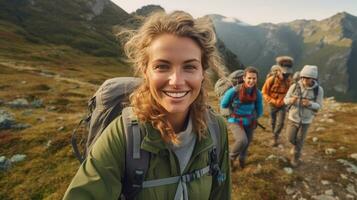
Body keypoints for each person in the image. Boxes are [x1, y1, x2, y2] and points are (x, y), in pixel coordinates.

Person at [63, 11, 231, 200]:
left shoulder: (217, 129)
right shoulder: (124, 135)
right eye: (162, 66)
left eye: (190, 67)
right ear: (145, 71)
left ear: (202, 72)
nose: (176, 81)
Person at [220, 66, 263, 170]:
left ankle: (242, 160)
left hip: (249, 121)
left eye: (254, 78)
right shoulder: (234, 91)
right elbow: (224, 104)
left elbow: (260, 109)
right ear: (244, 78)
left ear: (257, 79)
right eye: (249, 78)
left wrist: (254, 117)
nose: (251, 81)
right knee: (242, 140)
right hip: (235, 120)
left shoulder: (257, 93)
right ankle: (230, 158)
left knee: (247, 142)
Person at [284, 65, 323, 167]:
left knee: (300, 141)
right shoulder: (294, 86)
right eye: (303, 77)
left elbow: (319, 106)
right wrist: (291, 100)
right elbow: (285, 100)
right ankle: (295, 146)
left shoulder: (319, 90)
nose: (304, 80)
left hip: (306, 121)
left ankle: (295, 158)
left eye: (307, 78)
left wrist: (310, 104)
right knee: (290, 138)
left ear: (313, 78)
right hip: (293, 118)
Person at [262, 56, 293, 147]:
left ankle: (275, 136)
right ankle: (274, 133)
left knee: (281, 123)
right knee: (273, 121)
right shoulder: (271, 80)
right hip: (272, 105)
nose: (285, 76)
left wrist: (287, 102)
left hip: (282, 105)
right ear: (279, 71)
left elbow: (289, 93)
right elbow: (264, 92)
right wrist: (272, 101)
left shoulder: (288, 81)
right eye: (284, 74)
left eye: (287, 75)